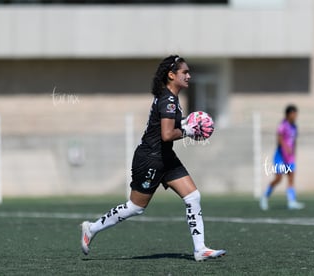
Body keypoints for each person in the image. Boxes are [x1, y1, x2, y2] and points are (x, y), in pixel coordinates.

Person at [80, 55, 226, 261]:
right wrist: (189, 131)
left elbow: (167, 131)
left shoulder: (171, 98)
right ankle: (91, 228)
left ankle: (200, 249)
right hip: (150, 158)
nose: (189, 76)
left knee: (193, 197)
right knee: (135, 207)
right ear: (171, 74)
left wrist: (186, 125)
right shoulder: (168, 100)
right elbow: (167, 134)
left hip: (165, 156)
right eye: (185, 72)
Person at [260, 104, 305, 210]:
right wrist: (286, 148)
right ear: (288, 114)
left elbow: (294, 142)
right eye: (294, 114)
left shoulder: (294, 127)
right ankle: (264, 196)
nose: (295, 116)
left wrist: (294, 153)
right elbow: (279, 139)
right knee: (278, 178)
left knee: (291, 178)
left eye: (296, 114)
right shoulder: (282, 125)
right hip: (280, 156)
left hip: (290, 158)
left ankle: (291, 201)